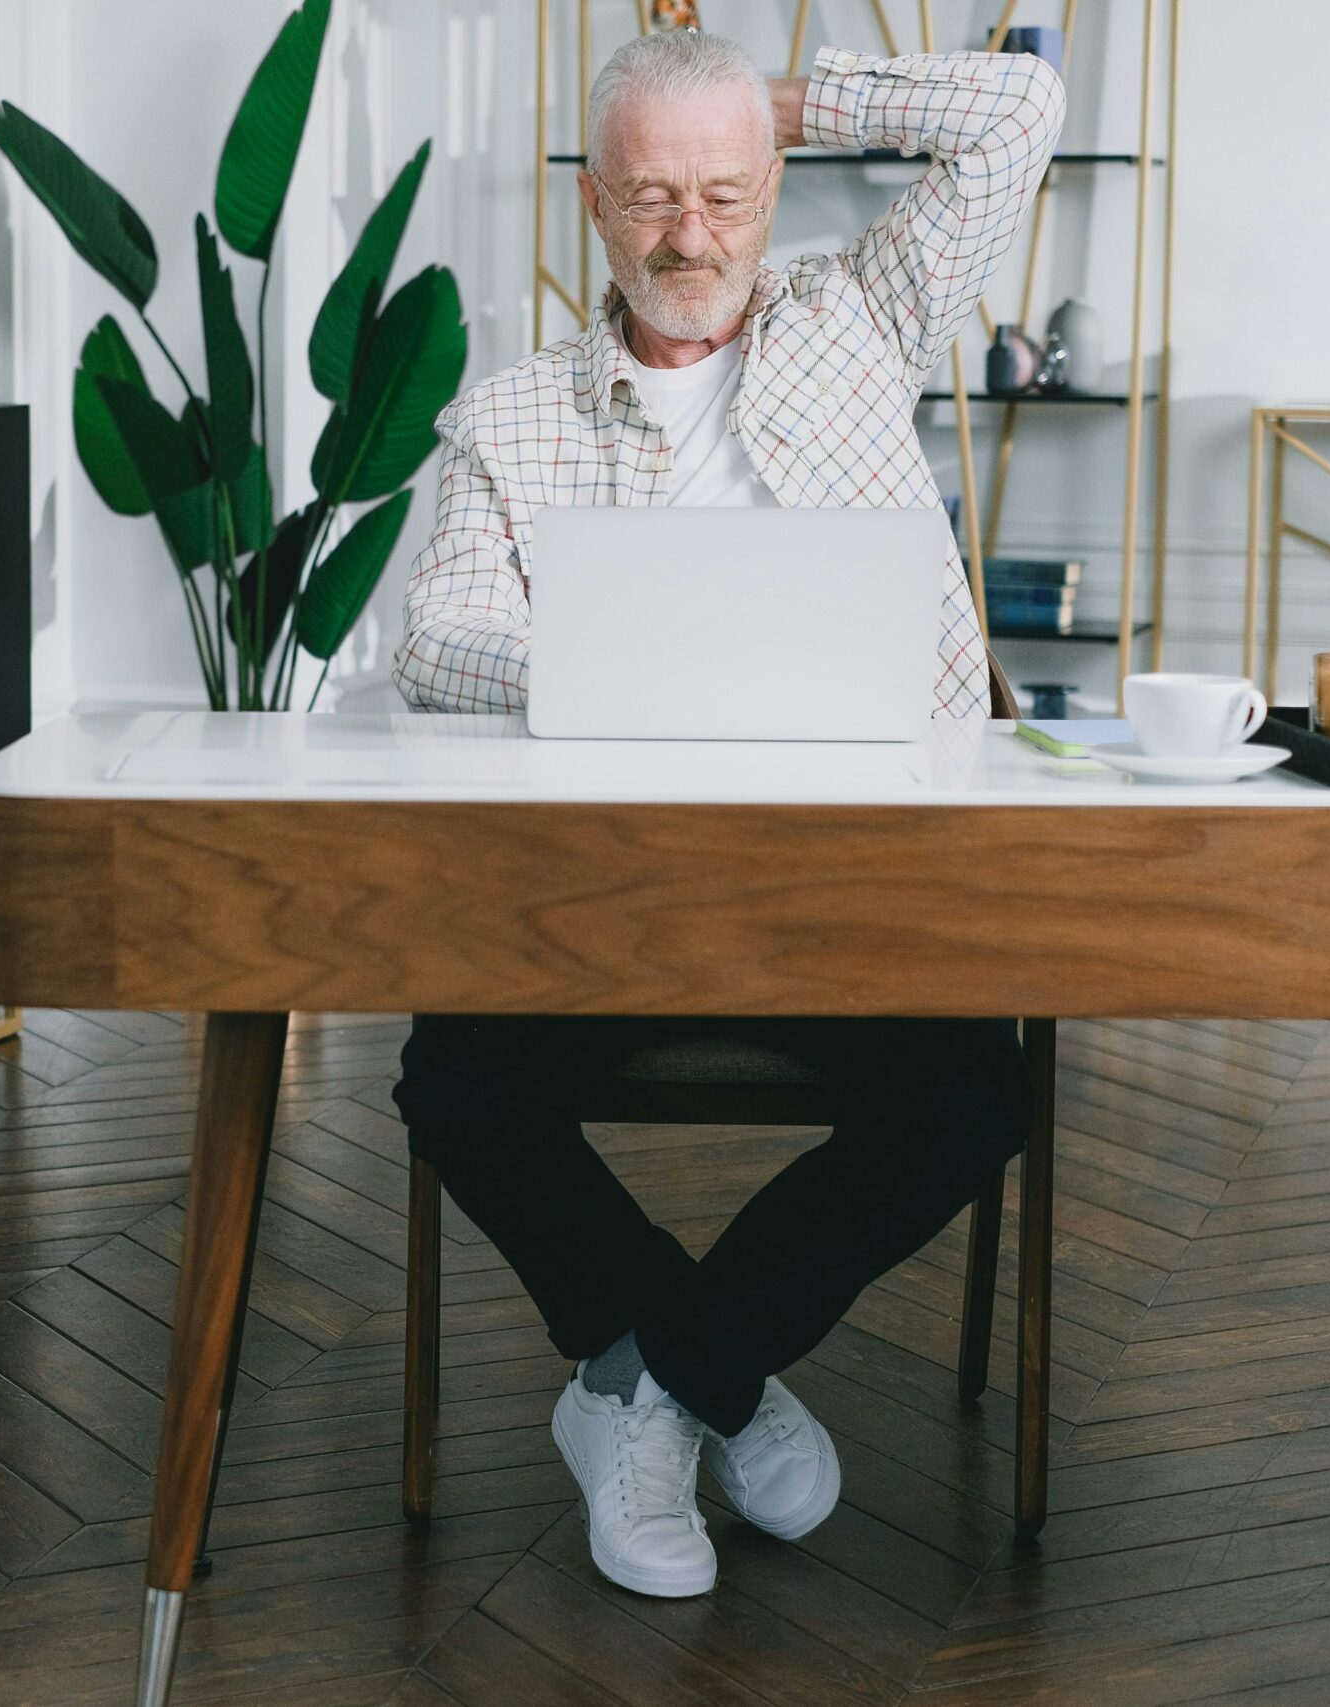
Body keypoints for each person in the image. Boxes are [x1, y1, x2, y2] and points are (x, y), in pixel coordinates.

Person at [390, 31, 1062, 1600]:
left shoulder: (859, 317)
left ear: (771, 184)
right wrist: (648, 666)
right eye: (649, 197)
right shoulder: (512, 416)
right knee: (453, 1076)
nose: (689, 238)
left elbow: (1022, 106)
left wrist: (790, 95)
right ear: (590, 204)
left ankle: (654, 1383)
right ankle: (720, 1374)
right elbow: (434, 642)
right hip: (610, 902)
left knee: (973, 1094)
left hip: (862, 893)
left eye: (724, 192)